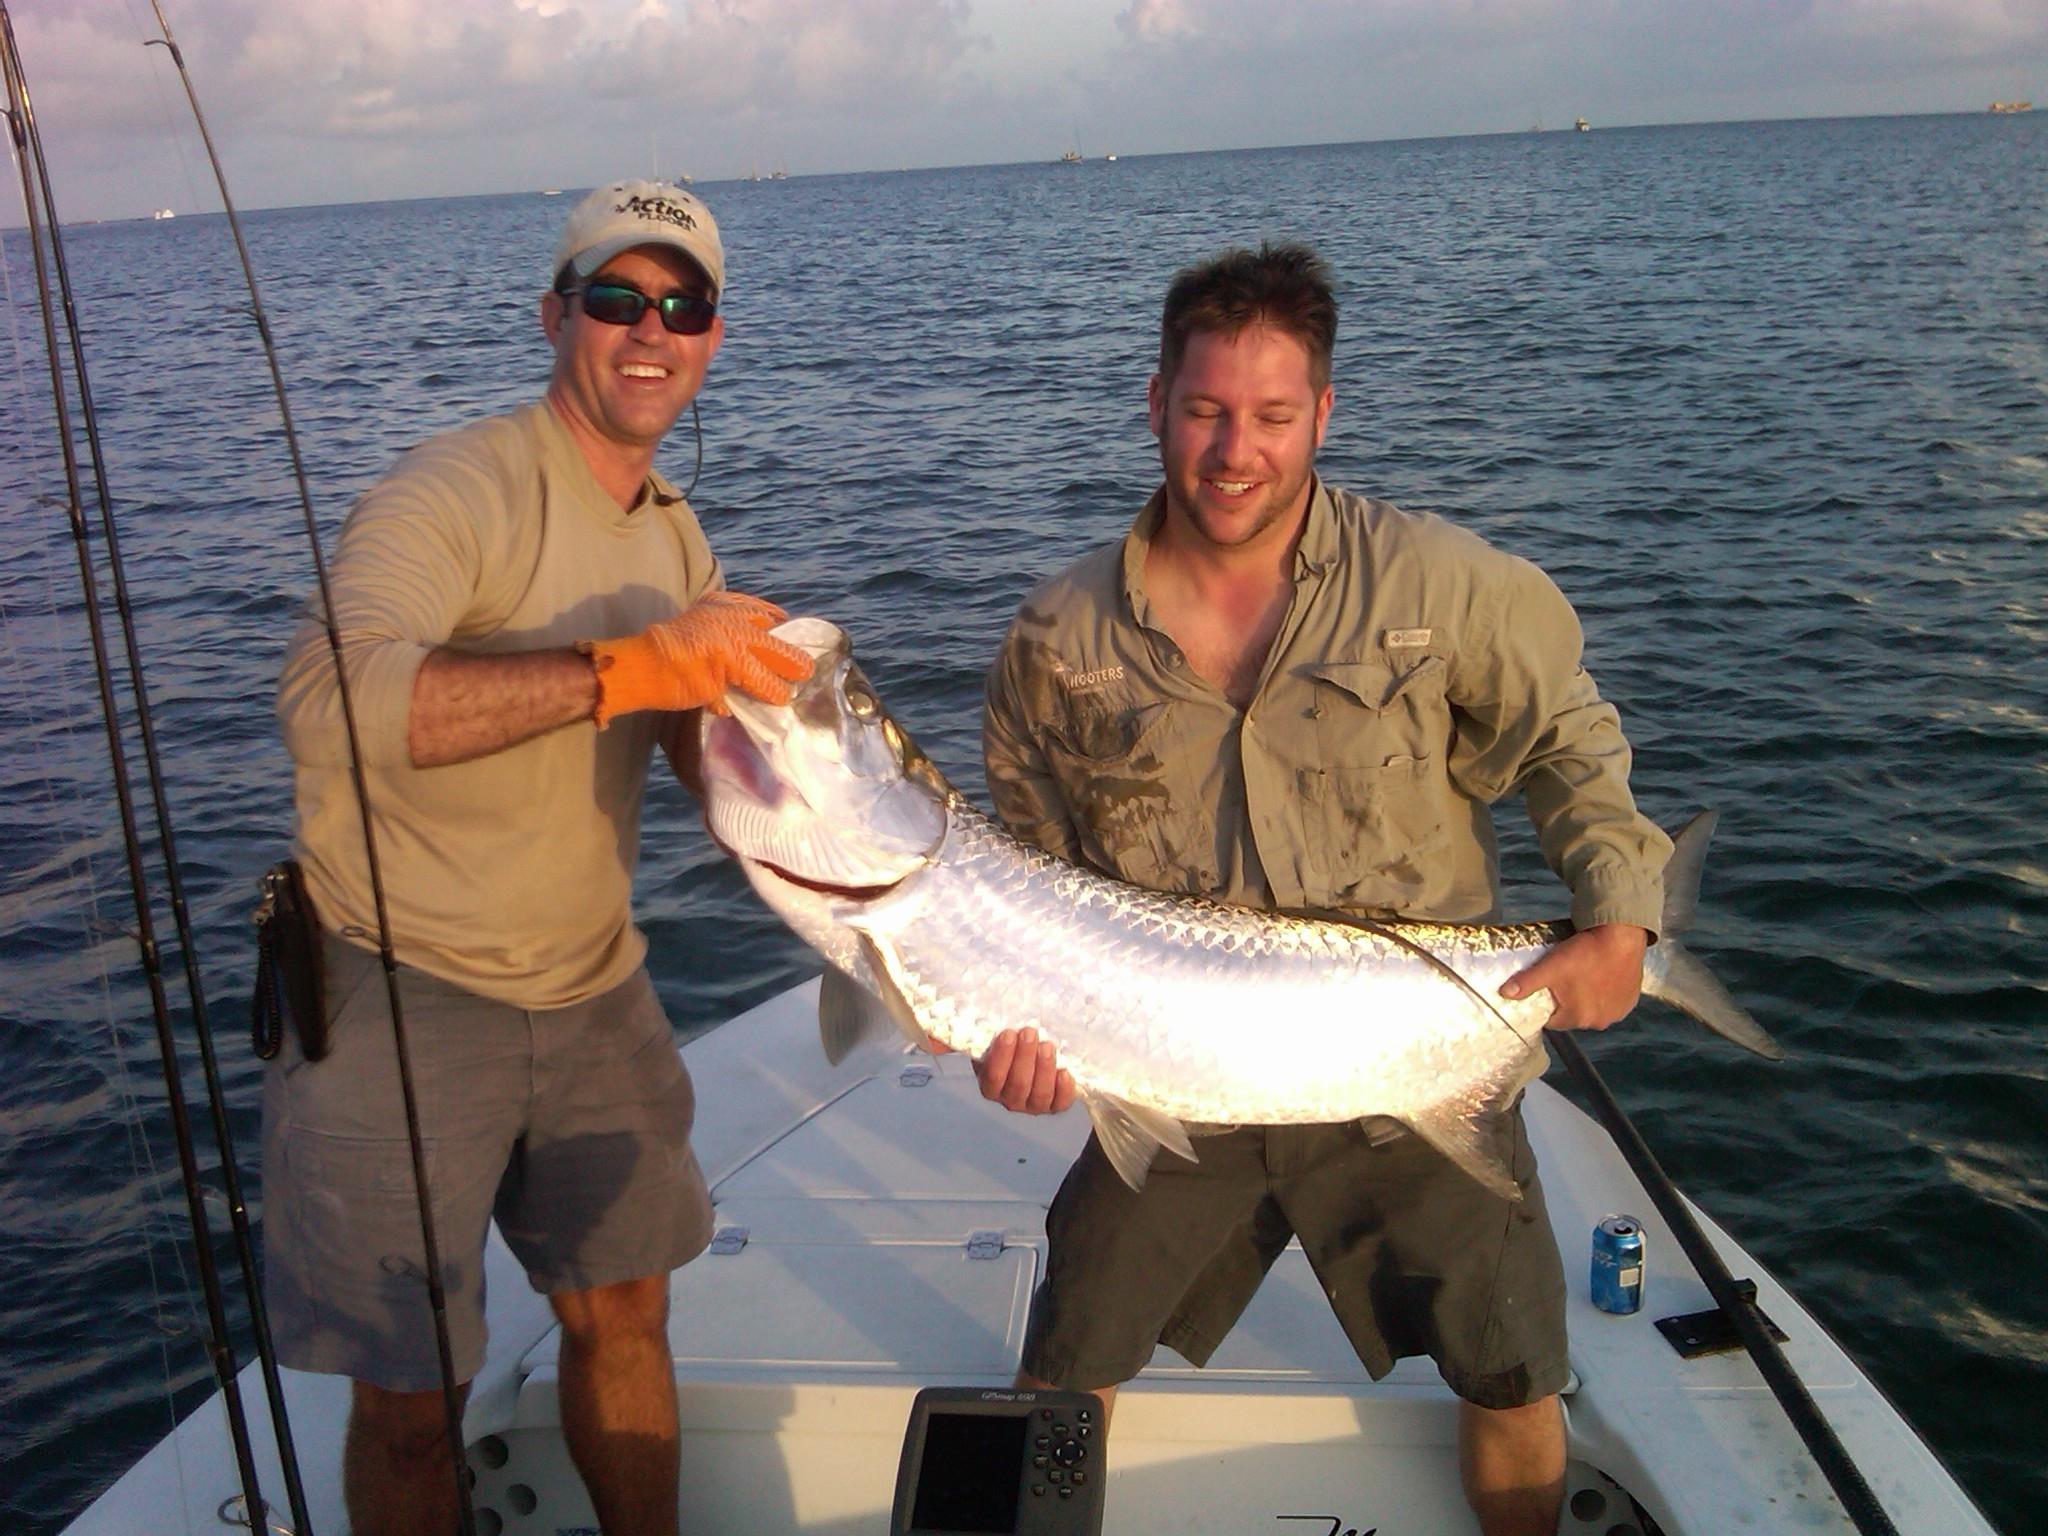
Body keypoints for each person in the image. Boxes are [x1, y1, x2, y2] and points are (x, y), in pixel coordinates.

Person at [976, 242, 1670, 1536]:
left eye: (1273, 417)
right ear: (1155, 404)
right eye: (1205, 410)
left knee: (1515, 1372)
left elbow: (1572, 735)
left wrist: (1623, 914)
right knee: (1061, 1367)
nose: (1236, 450)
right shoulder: (1053, 642)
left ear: (1324, 417)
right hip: (1175, 1078)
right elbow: (1031, 883)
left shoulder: (1435, 582)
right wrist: (1022, 1031)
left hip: (1415, 1058)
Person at [266, 180, 810, 1536]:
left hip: (590, 982)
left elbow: (694, 753)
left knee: (627, 1308)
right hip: (403, 985)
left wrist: (798, 773)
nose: (650, 330)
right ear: (556, 314)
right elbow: (327, 701)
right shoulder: (457, 488)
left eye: (681, 306)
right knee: (409, 1390)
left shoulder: (673, 531)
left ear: (713, 337)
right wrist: (629, 665)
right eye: (617, 298)